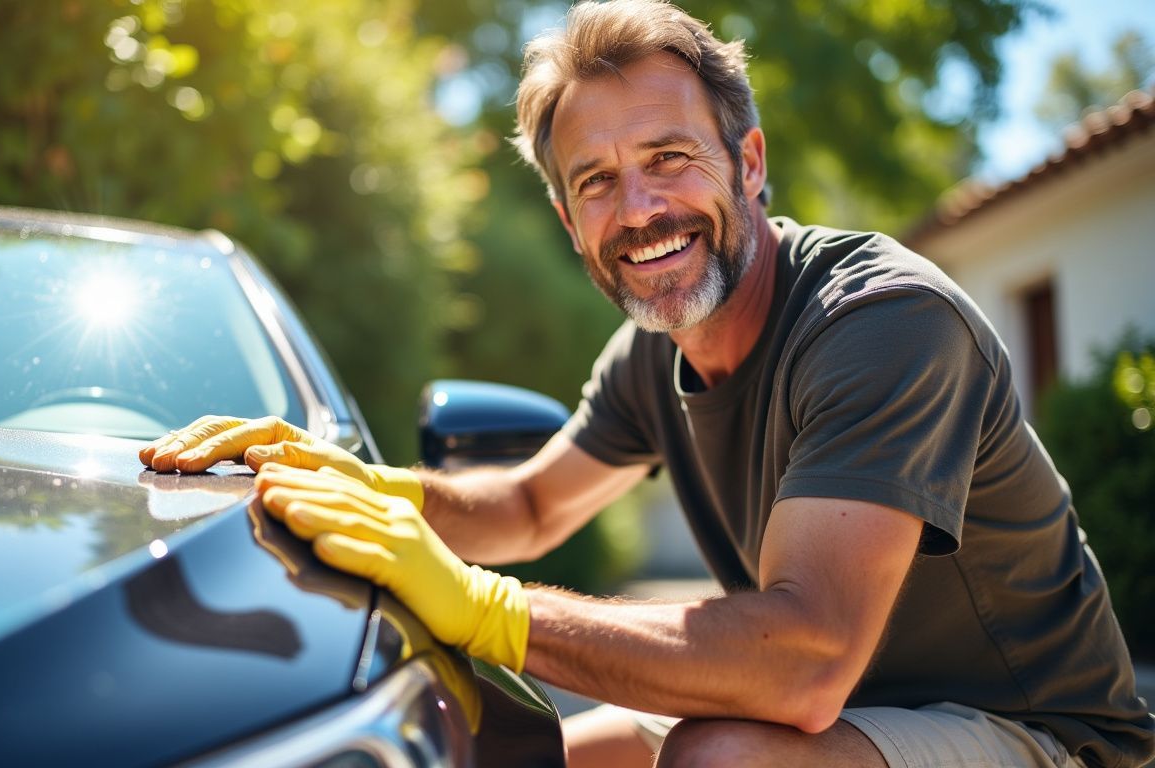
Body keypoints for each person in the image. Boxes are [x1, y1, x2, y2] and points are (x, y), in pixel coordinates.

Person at [140, 1, 1155, 765]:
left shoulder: (880, 322)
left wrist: (485, 610)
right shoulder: (651, 356)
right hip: (855, 718)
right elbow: (530, 503)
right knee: (557, 757)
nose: (640, 208)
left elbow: (804, 661)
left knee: (717, 756)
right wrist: (361, 487)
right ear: (570, 219)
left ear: (748, 163)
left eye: (670, 158)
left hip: (1043, 736)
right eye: (596, 182)